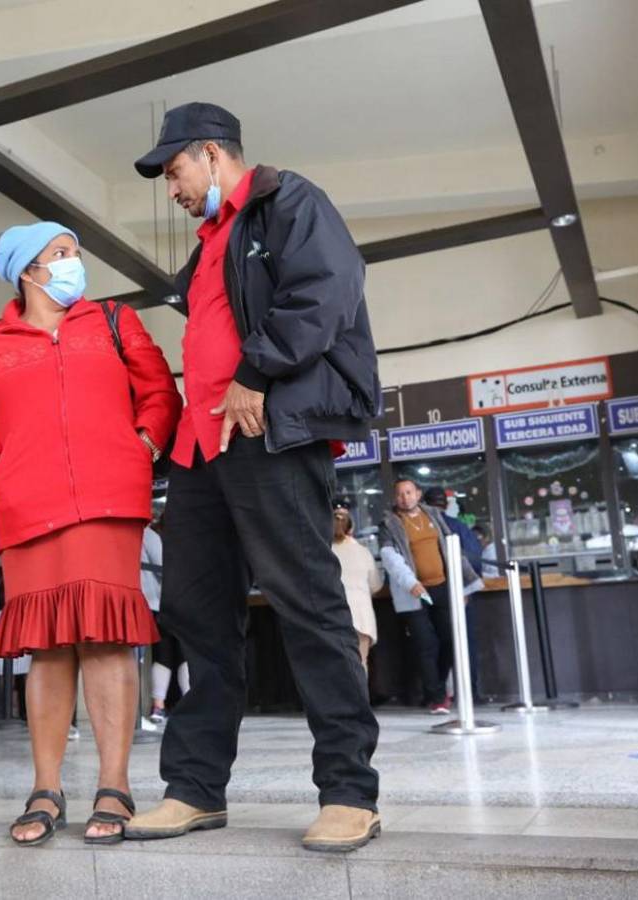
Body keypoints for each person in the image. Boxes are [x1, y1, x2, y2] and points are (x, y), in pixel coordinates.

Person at [125, 103, 382, 853]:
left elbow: (326, 292)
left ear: (211, 154)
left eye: (174, 170)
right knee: (197, 617)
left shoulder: (286, 202)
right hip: (200, 450)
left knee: (308, 604)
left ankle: (348, 792)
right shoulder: (208, 245)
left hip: (263, 431)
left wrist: (256, 372)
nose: (170, 187)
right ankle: (195, 790)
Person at [0, 220, 181, 846]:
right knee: (46, 647)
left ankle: (115, 784)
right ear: (28, 270)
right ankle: (46, 786)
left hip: (109, 501)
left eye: (76, 252)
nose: (76, 263)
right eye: (61, 254)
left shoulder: (113, 322)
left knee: (105, 639)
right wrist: (0, 472)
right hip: (29, 511)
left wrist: (143, 446)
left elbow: (159, 392)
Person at [378, 479, 483, 716]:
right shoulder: (389, 523)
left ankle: (438, 687)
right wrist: (410, 582)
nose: (405, 497)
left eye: (409, 492)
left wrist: (463, 588)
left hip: (442, 587)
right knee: (425, 645)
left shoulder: (435, 516)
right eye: (400, 494)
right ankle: (436, 698)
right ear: (396, 498)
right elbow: (389, 555)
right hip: (415, 592)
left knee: (449, 640)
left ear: (417, 494)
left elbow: (453, 551)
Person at [422, 486, 484, 698]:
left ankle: (436, 695)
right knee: (464, 643)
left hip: (428, 595)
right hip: (458, 593)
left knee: (432, 646)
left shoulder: (422, 528)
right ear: (447, 504)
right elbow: (475, 559)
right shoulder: (458, 526)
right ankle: (470, 693)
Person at [141, 523, 188, 724]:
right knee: (182, 652)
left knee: (162, 654)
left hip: (139, 603)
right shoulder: (148, 534)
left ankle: (158, 706)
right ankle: (189, 701)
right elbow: (163, 567)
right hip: (160, 601)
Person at [331, 507, 383, 673]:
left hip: (333, 616)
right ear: (351, 528)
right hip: (361, 617)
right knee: (361, 664)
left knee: (336, 667)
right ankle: (360, 699)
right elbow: (375, 585)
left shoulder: (325, 554)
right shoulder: (363, 552)